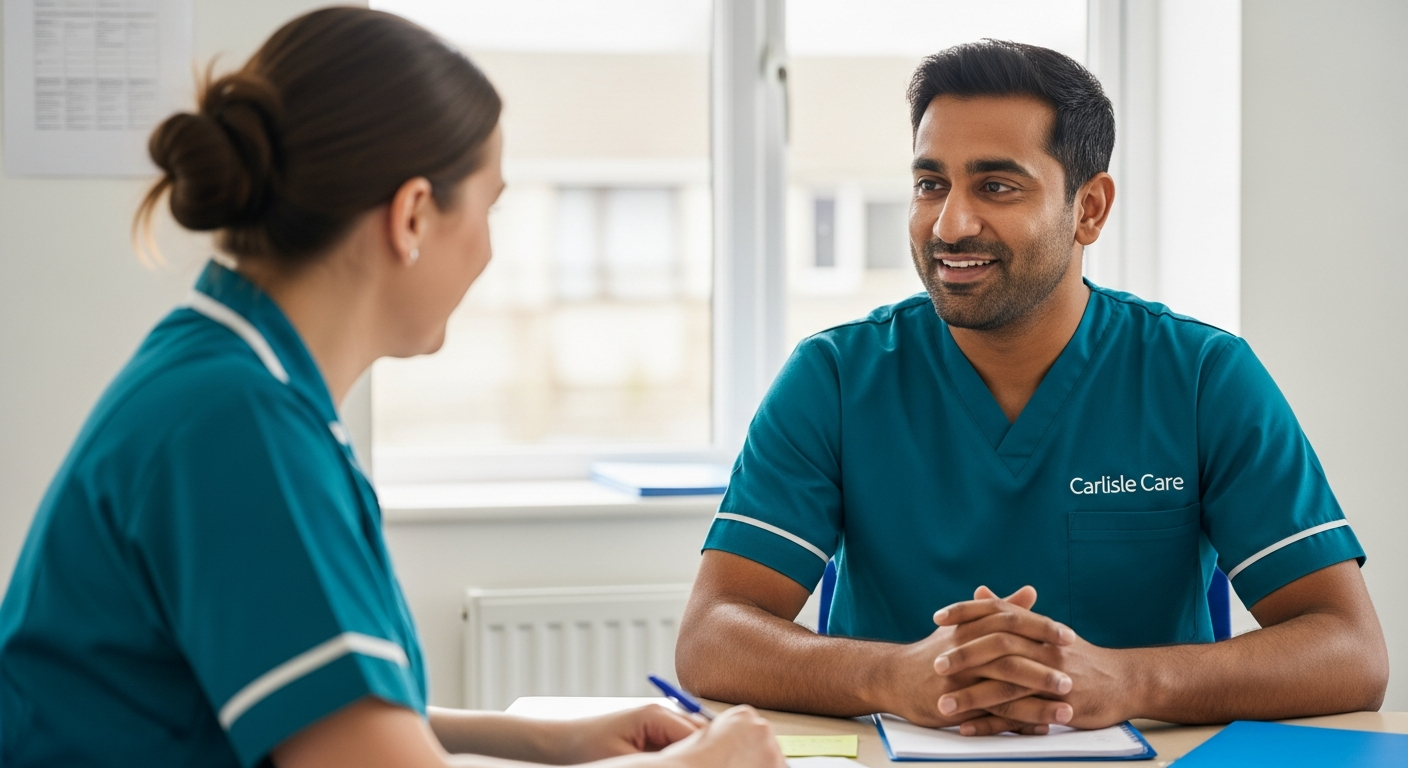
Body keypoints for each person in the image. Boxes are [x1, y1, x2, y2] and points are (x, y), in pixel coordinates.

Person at [0, 9, 785, 768]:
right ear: (412, 216)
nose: (485, 252)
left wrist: (546, 739)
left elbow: (322, 708)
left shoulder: (229, 370)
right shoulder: (238, 427)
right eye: (490, 208)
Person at [675, 40, 1388, 736]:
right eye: (931, 184)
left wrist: (1128, 681)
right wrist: (892, 676)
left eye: (996, 186)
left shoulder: (1203, 376)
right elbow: (712, 635)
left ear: (1090, 209)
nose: (950, 224)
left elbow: (1348, 650)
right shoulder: (834, 377)